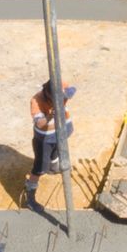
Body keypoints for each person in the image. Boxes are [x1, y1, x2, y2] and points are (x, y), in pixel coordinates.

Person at [25, 80, 75, 221]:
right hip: (45, 139)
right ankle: (30, 198)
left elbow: (72, 90)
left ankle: (54, 168)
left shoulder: (60, 85)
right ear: (47, 94)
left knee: (57, 152)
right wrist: (50, 116)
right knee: (39, 168)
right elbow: (40, 124)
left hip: (61, 132)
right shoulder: (37, 101)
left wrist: (66, 95)